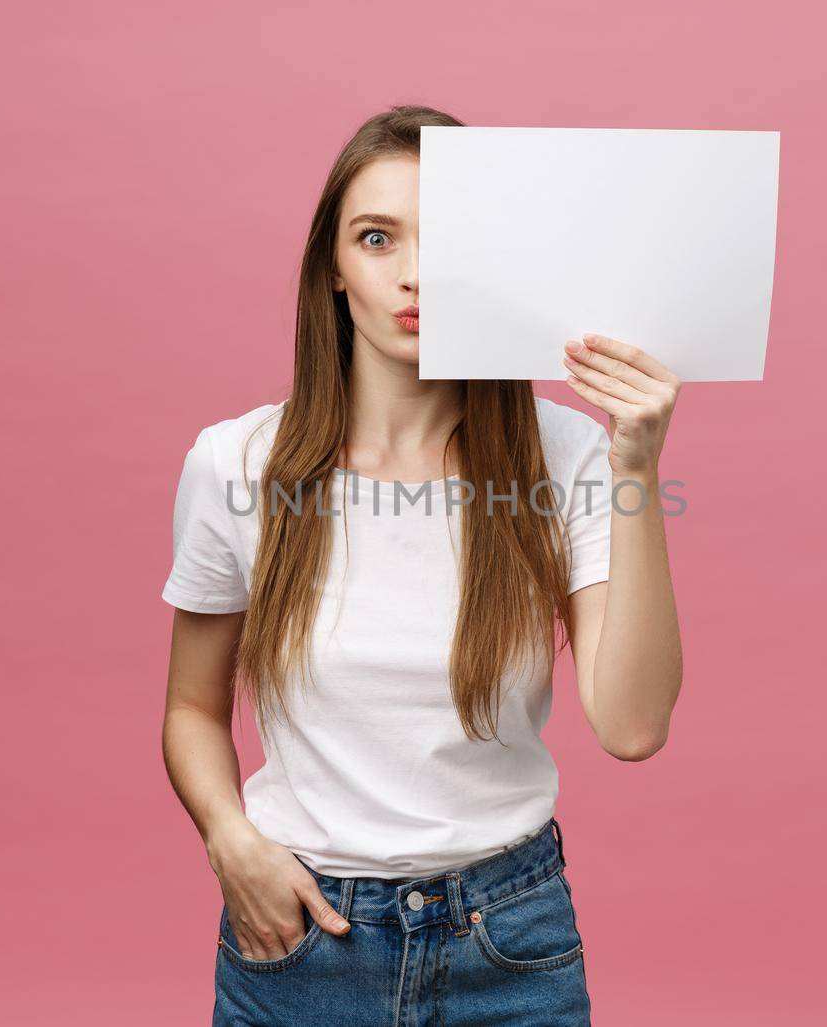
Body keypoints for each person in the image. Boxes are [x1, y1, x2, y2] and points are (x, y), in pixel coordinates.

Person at [160, 104, 684, 1026]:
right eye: (376, 238)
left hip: (508, 942)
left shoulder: (568, 459)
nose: (413, 275)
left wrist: (635, 461)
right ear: (334, 265)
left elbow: (634, 726)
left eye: (446, 241)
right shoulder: (235, 465)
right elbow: (192, 710)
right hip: (301, 942)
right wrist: (229, 841)